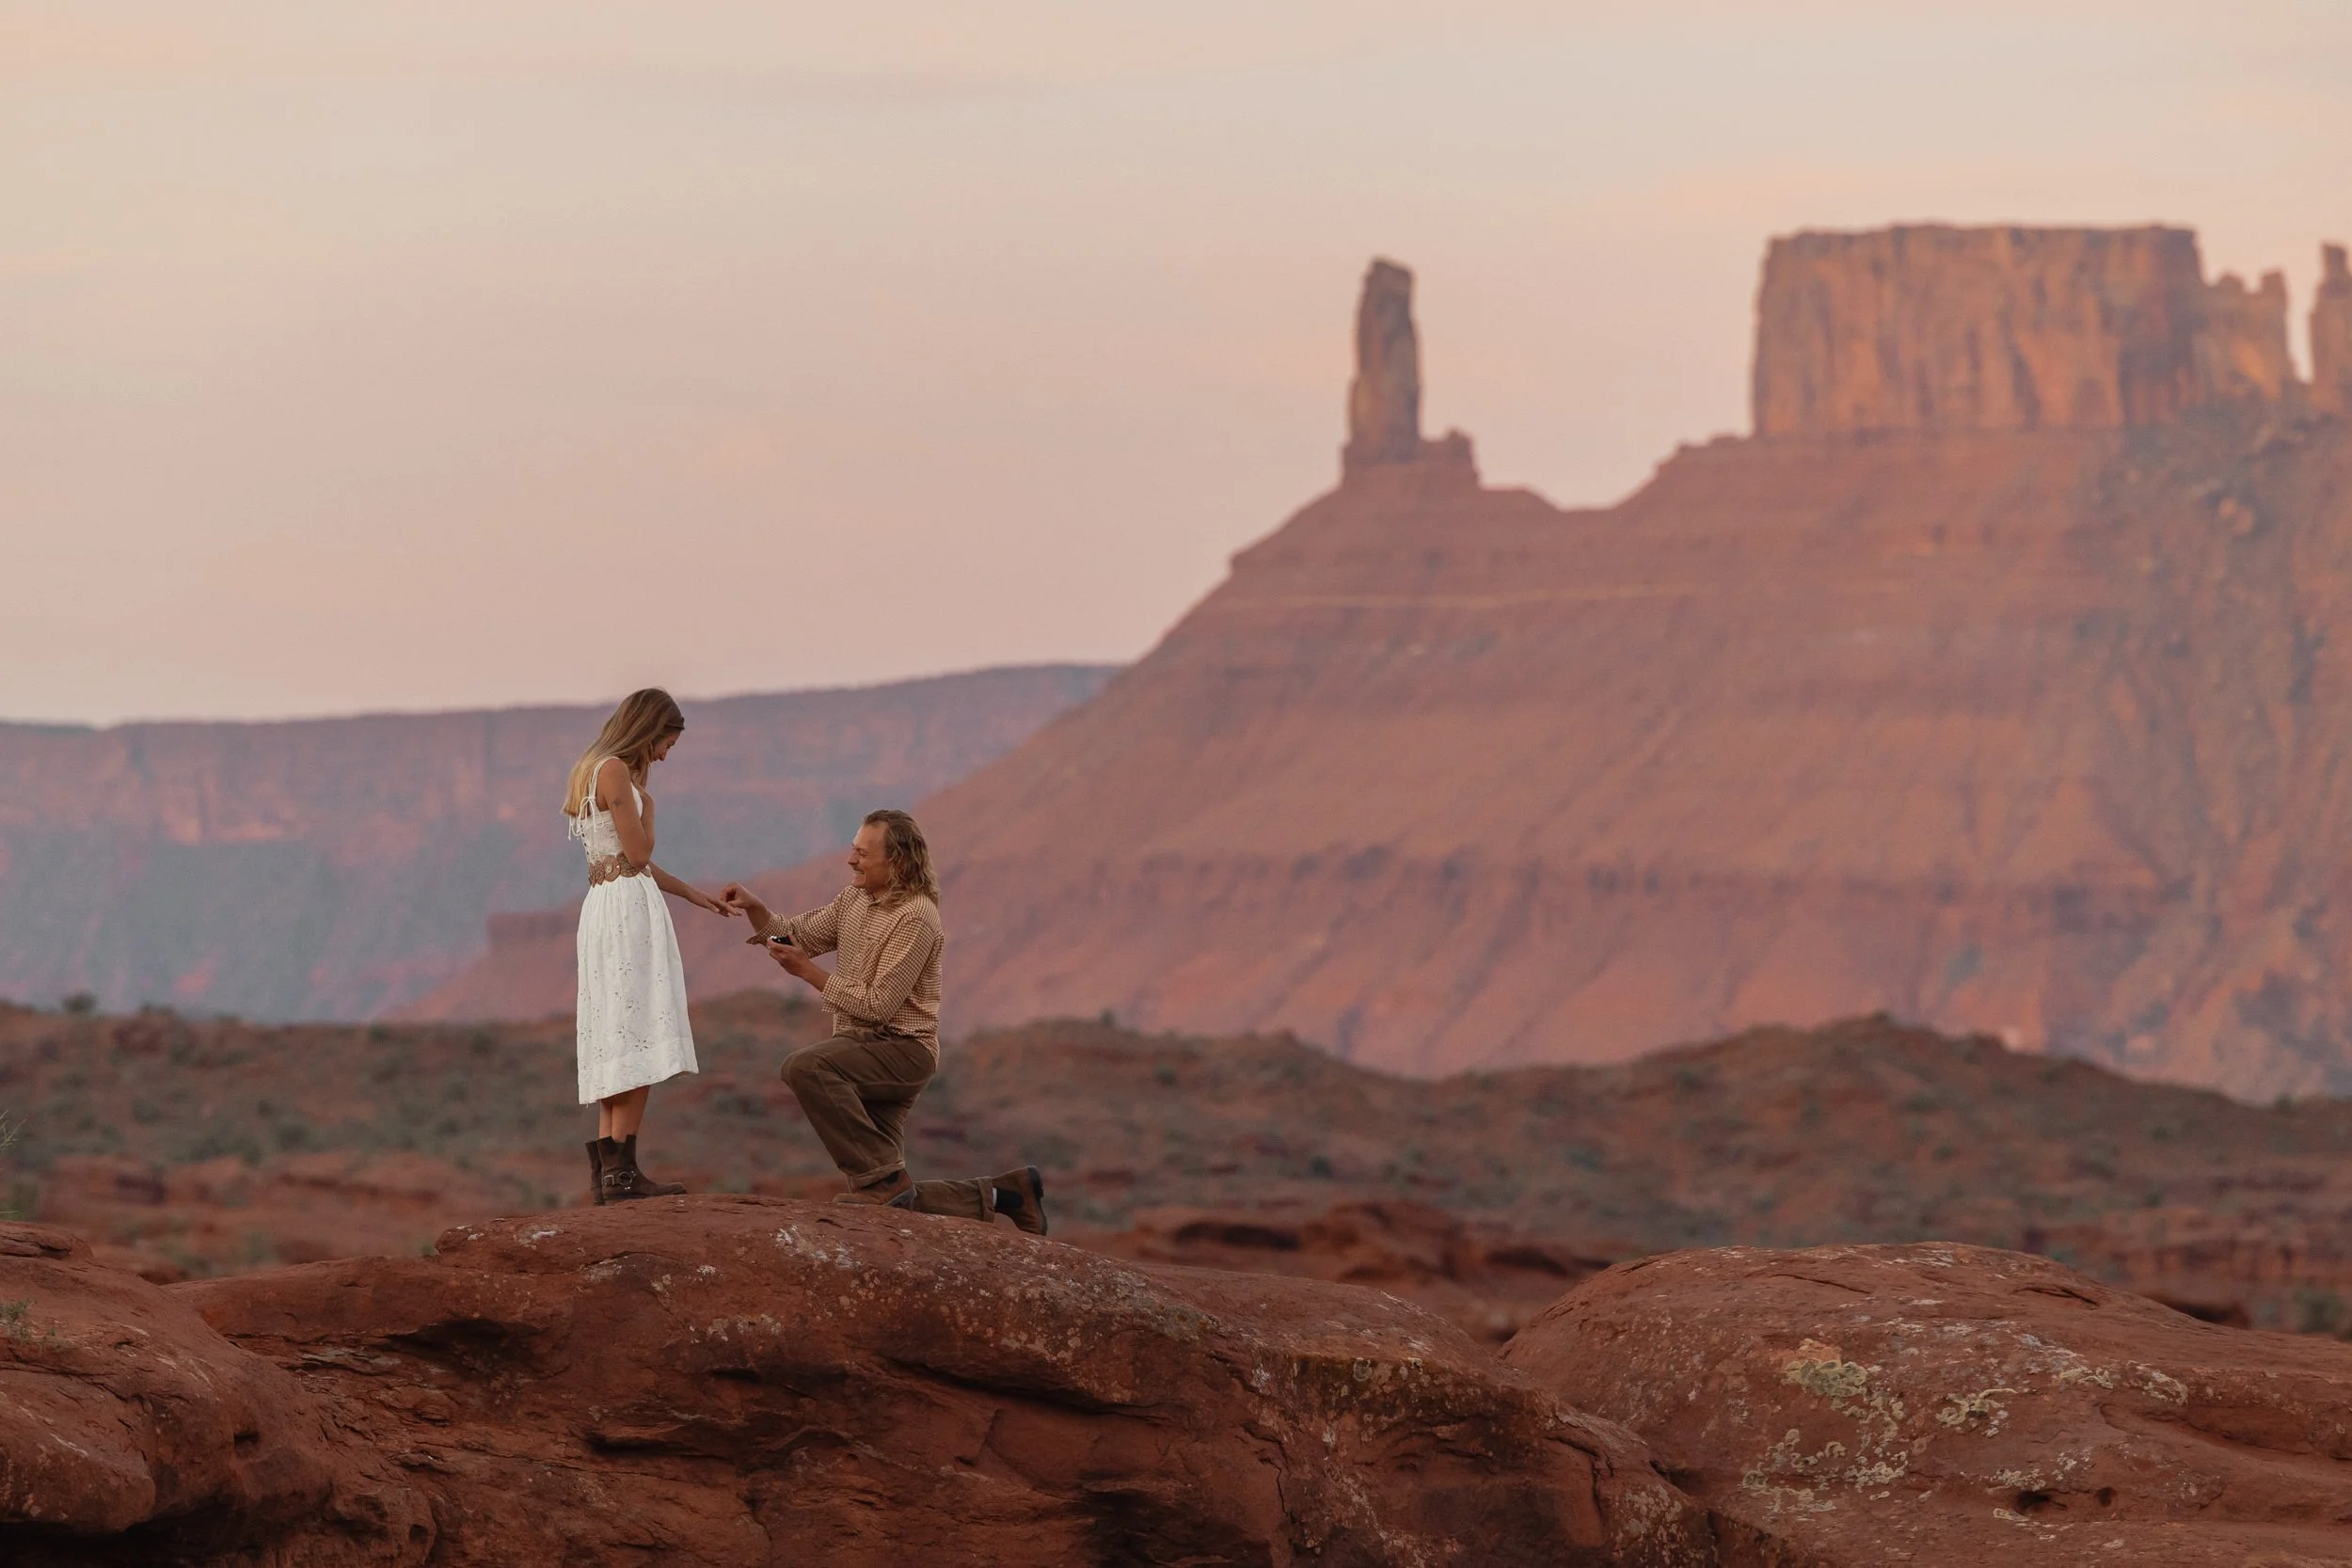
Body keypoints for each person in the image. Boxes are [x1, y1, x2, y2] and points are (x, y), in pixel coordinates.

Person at [721, 809, 1047, 1234]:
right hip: (859, 1049)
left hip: (901, 1049)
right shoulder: (854, 900)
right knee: (890, 1198)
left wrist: (809, 973)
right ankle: (1010, 1195)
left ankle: (887, 1180)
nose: (851, 861)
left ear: (897, 862)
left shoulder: (916, 917)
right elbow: (793, 937)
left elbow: (878, 1006)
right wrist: (757, 910)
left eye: (862, 853)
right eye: (852, 850)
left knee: (804, 1067)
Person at [562, 688, 735, 1203]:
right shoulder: (615, 772)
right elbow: (637, 854)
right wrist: (650, 810)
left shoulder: (590, 771)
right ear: (649, 729)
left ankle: (607, 1173)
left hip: (603, 904)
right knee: (637, 1032)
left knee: (617, 1032)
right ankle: (623, 1172)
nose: (664, 756)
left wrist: (693, 896)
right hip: (627, 911)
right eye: (667, 743)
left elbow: (622, 860)